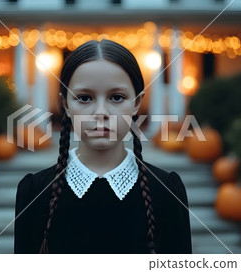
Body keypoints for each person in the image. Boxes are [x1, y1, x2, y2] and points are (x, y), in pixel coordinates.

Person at [14, 39, 192, 254]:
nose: (101, 112)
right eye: (84, 98)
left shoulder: (167, 191)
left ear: (136, 103)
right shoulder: (33, 191)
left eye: (116, 97)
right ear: (65, 105)